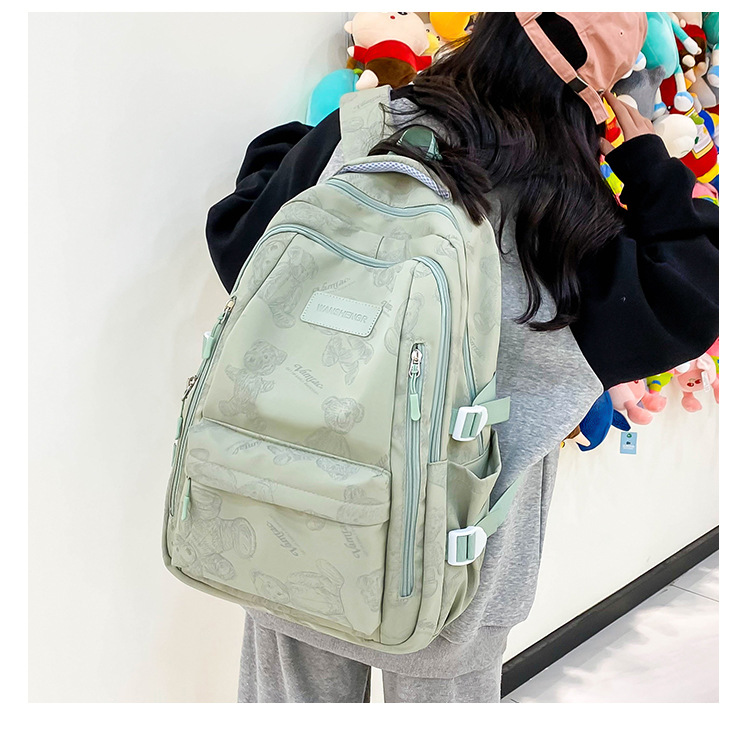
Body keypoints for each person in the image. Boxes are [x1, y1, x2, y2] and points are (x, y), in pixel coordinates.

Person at [204, 12, 719, 703]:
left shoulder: (360, 134)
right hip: (456, 571)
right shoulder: (567, 223)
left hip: (295, 520)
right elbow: (699, 286)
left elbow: (242, 239)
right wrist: (648, 162)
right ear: (598, 97)